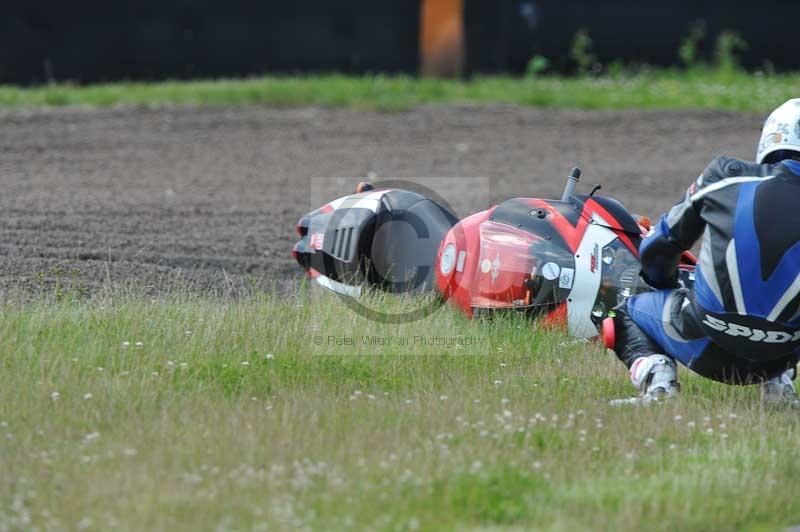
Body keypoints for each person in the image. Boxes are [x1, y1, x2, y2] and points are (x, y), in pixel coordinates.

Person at [607, 98, 800, 405]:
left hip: (704, 342)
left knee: (626, 311)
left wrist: (666, 283)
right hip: (781, 355)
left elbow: (657, 249)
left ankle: (659, 386)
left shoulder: (726, 175)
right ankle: (779, 386)